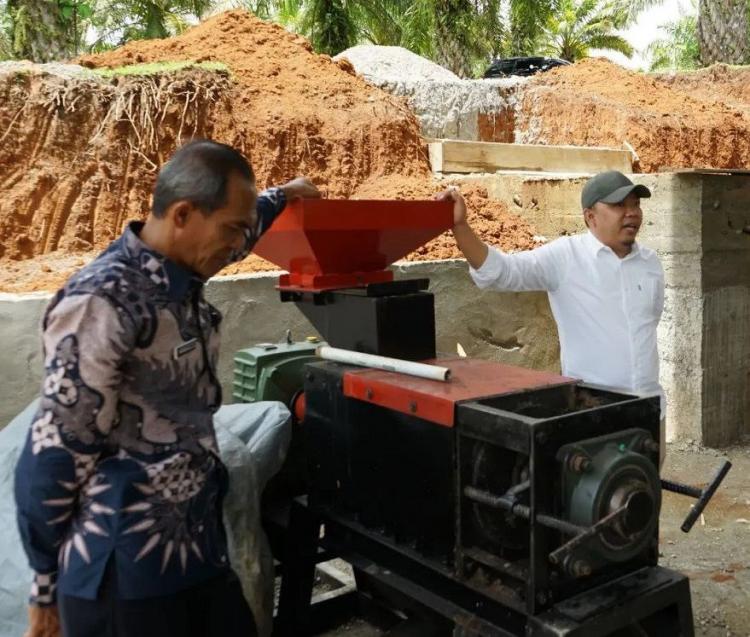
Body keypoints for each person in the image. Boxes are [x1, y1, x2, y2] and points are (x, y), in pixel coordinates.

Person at [14, 139, 321, 637]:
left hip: (196, 551)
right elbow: (54, 454)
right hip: (125, 574)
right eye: (231, 230)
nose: (239, 243)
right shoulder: (103, 301)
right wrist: (44, 586)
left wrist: (285, 194)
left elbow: (247, 223)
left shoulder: (186, 264)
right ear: (182, 214)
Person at [440, 170, 666, 463]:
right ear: (590, 217)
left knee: (643, 498)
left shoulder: (650, 264)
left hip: (650, 412)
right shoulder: (565, 258)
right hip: (593, 416)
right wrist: (460, 227)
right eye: (619, 205)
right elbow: (502, 273)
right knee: (594, 503)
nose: (631, 213)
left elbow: (648, 326)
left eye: (635, 204)